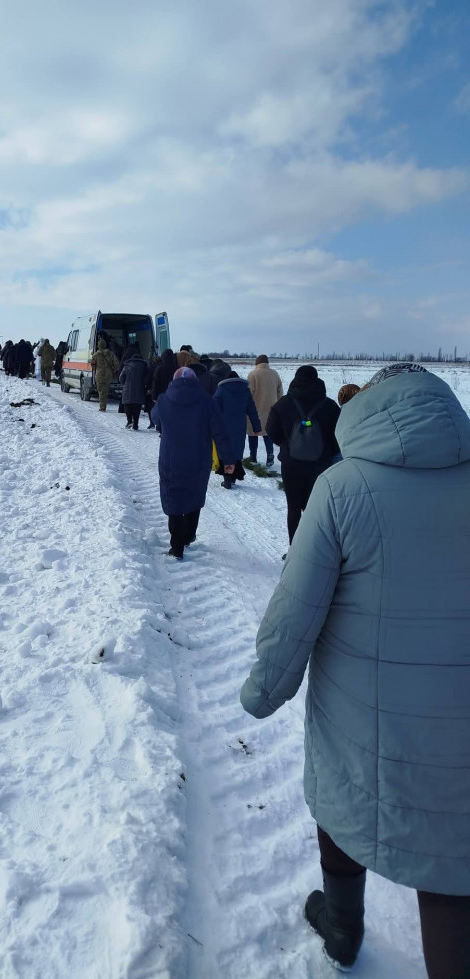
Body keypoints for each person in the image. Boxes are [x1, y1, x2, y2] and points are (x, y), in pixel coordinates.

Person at [240, 364, 470, 977]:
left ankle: (342, 927)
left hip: (362, 719)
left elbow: (297, 607)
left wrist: (265, 687)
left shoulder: (342, 488)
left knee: (345, 803)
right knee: (453, 862)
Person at [154, 367, 235, 559]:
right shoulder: (207, 402)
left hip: (171, 459)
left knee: (173, 498)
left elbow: (154, 417)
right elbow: (221, 432)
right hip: (198, 459)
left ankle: (176, 546)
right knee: (194, 494)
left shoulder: (164, 400)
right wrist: (229, 460)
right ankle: (189, 535)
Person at [265, 365, 340, 542]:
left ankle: (295, 550)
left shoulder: (282, 404)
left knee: (293, 506)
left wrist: (287, 446)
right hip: (321, 465)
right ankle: (315, 548)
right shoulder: (330, 406)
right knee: (316, 508)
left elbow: (271, 431)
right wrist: (326, 452)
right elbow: (339, 436)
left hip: (291, 464)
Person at [213, 370, 261, 488]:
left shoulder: (221, 390)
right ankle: (233, 477)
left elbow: (213, 410)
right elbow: (252, 410)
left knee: (224, 451)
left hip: (222, 427)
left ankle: (227, 479)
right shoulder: (245, 391)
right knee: (237, 450)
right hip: (240, 427)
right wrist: (257, 426)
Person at [247, 355, 283, 467]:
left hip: (255, 410)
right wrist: (276, 403)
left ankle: (253, 457)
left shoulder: (252, 374)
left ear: (256, 363)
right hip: (271, 410)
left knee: (253, 433)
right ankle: (270, 456)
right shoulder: (275, 374)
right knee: (268, 434)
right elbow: (280, 391)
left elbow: (249, 393)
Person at [119, 345, 148, 429]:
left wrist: (124, 384)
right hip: (139, 389)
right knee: (137, 407)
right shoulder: (144, 366)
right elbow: (146, 378)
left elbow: (121, 377)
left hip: (127, 389)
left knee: (128, 405)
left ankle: (129, 421)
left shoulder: (127, 366)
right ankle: (135, 424)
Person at [89, 339, 119, 412]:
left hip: (99, 375)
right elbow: (116, 364)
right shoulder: (111, 354)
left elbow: (92, 365)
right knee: (105, 390)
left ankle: (102, 407)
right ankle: (103, 406)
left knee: (101, 391)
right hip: (108, 375)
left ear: (99, 346)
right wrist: (113, 371)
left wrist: (96, 369)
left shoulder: (96, 354)